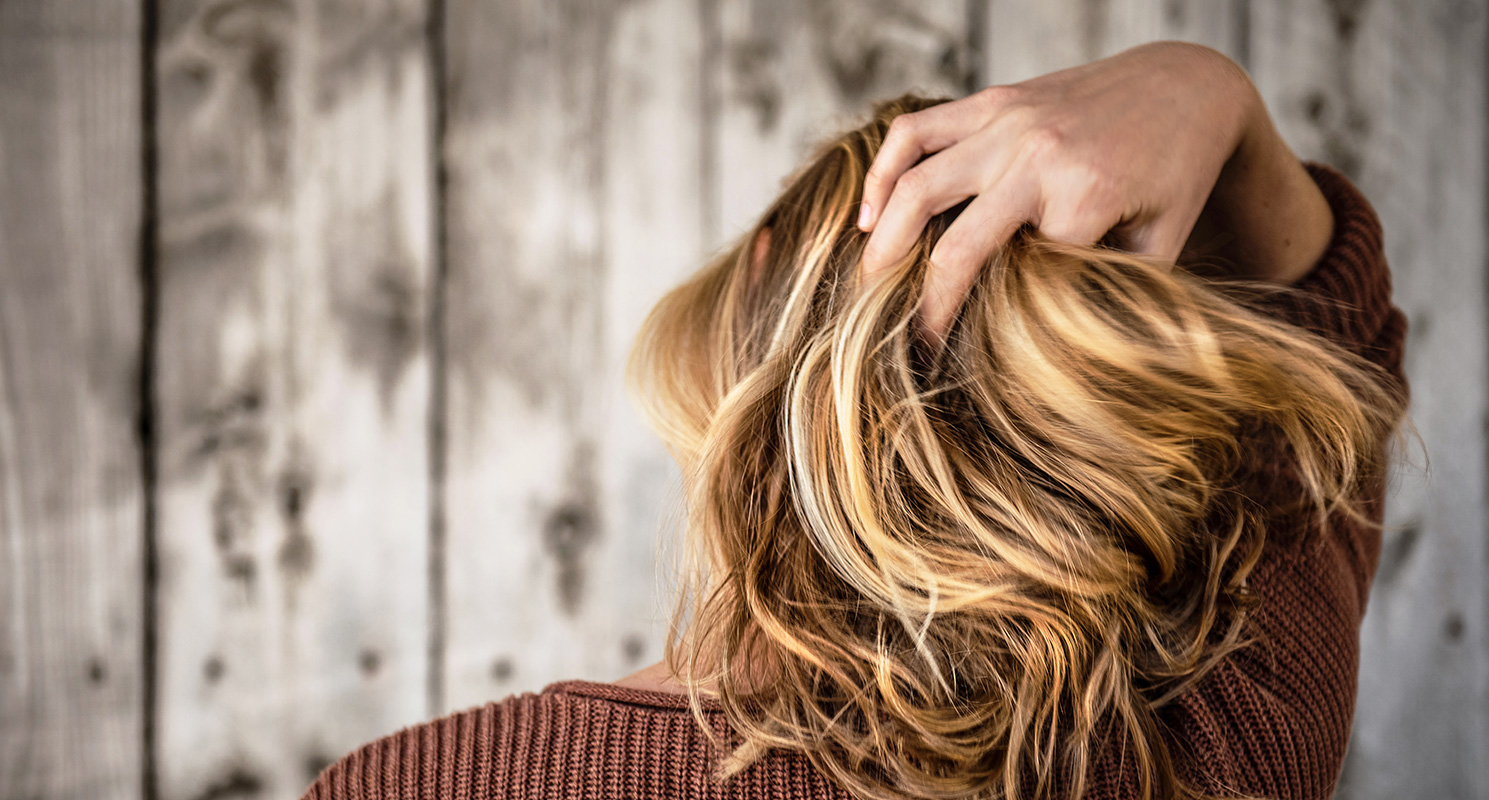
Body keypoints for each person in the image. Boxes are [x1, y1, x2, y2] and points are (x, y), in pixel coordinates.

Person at [302, 41, 1408, 800]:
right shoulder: (1219, 739)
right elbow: (1337, 350)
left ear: (759, 292)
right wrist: (1205, 90)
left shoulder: (423, 785)